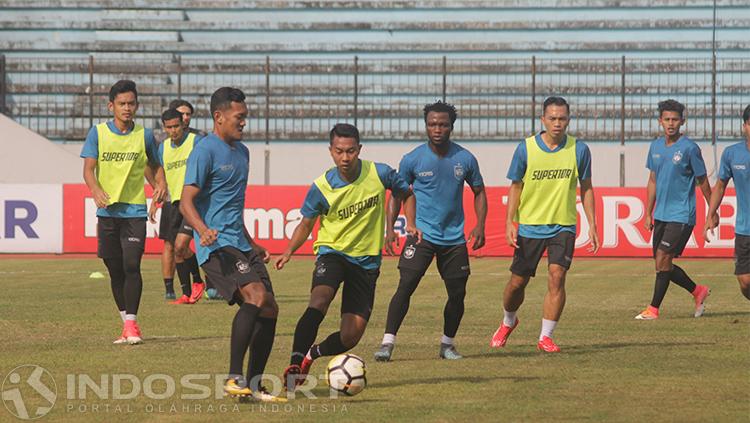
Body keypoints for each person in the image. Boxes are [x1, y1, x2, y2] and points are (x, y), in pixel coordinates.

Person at [275, 123, 413, 390]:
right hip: (332, 253)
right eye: (339, 151)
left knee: (351, 337)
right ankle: (294, 364)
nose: (345, 157)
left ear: (359, 150)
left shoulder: (379, 173)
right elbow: (306, 223)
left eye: (350, 151)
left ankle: (311, 355)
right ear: (331, 151)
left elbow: (406, 193)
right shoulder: (322, 186)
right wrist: (289, 250)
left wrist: (402, 226)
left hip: (366, 262)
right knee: (319, 300)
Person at [180, 87, 282, 401]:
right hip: (216, 246)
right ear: (219, 117)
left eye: (245, 118)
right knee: (255, 294)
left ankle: (252, 385)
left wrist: (253, 242)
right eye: (239, 118)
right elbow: (186, 201)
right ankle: (234, 377)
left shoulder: (243, 152)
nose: (243, 123)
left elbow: (232, 206)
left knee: (270, 309)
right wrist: (202, 230)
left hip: (240, 242)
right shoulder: (205, 150)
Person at [374, 101, 487, 362]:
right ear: (426, 125)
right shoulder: (412, 159)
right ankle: (387, 343)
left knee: (458, 294)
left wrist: (479, 225)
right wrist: (390, 229)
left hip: (454, 238)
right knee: (406, 286)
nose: (438, 129)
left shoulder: (465, 159)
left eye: (443, 124)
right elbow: (398, 194)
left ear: (452, 126)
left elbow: (479, 191)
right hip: (421, 235)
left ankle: (447, 345)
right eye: (433, 124)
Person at [490, 96, 599, 353]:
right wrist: (509, 222)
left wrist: (592, 224)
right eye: (552, 118)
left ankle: (545, 337)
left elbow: (587, 188)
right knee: (517, 283)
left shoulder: (579, 150)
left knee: (557, 276)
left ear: (568, 120)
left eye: (562, 118)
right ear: (543, 120)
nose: (557, 123)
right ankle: (508, 321)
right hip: (530, 225)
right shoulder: (526, 148)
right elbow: (516, 186)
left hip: (563, 225)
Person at [81, 79, 166, 345]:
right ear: (111, 106)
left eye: (131, 103)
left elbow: (156, 165)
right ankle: (126, 324)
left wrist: (159, 187)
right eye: (121, 104)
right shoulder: (98, 133)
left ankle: (132, 324)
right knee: (114, 268)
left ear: (137, 106)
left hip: (134, 211)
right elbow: (88, 169)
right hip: (107, 213)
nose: (127, 108)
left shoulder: (144, 135)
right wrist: (95, 189)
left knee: (131, 264)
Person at [635, 99, 712, 320]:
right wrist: (648, 212)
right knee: (662, 264)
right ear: (660, 121)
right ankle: (698, 291)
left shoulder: (689, 148)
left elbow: (703, 181)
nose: (671, 123)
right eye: (667, 119)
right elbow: (652, 181)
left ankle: (653, 309)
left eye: (675, 119)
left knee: (663, 258)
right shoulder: (655, 147)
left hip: (681, 214)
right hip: (660, 215)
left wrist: (712, 210)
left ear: (682, 121)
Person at [149, 108, 205, 304]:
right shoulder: (163, 148)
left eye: (176, 126)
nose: (173, 131)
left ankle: (198, 281)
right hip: (173, 203)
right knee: (175, 248)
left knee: (181, 245)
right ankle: (186, 293)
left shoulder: (195, 142)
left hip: (191, 202)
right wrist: (156, 200)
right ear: (164, 128)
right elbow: (160, 176)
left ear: (183, 124)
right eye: (169, 127)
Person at [704, 104, 750, 300]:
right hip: (744, 228)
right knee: (745, 281)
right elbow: (720, 186)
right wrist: (710, 214)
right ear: (744, 126)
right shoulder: (732, 153)